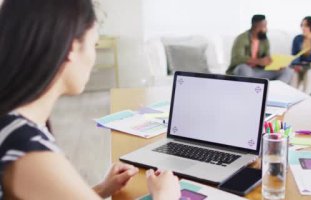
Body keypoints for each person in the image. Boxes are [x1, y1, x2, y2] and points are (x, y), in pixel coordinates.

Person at [0, 0, 180, 199]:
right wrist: (165, 196)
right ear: (71, 48)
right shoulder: (28, 151)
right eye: (93, 44)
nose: (93, 57)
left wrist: (102, 189)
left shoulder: (12, 121)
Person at [226, 14, 293, 84]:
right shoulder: (241, 38)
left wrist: (276, 65)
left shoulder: (264, 40)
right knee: (244, 68)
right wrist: (258, 61)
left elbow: (267, 58)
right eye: (264, 26)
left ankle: (275, 90)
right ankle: (248, 91)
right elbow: (237, 59)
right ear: (256, 26)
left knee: (287, 71)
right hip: (243, 71)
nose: (266, 29)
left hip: (259, 72)